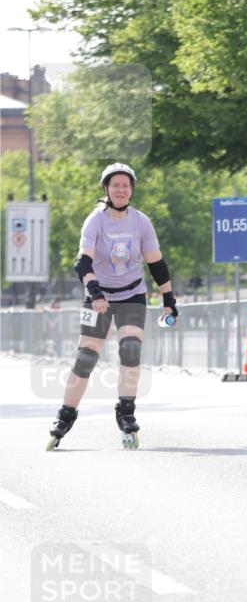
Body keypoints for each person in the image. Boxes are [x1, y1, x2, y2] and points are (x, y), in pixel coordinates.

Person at [46, 162, 178, 450]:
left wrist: (169, 299)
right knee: (86, 357)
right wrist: (94, 291)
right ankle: (65, 415)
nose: (121, 189)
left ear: (131, 190)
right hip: (98, 296)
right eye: (115, 185)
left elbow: (156, 263)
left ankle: (126, 412)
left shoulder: (140, 221)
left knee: (130, 349)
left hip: (132, 294)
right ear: (106, 189)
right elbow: (83, 261)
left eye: (126, 185)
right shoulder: (95, 220)